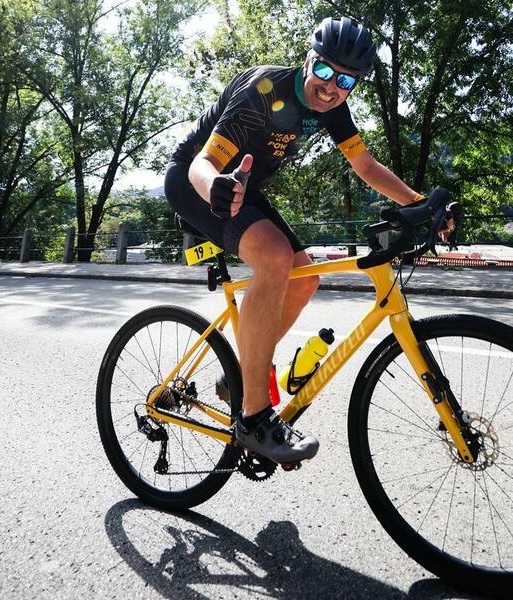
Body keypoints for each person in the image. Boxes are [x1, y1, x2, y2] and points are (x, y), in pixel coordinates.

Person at [164, 16, 425, 465]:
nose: (331, 87)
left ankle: (240, 376)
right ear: (308, 60)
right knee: (274, 257)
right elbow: (201, 163)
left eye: (346, 80)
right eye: (324, 70)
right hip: (197, 183)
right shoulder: (264, 90)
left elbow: (365, 165)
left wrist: (420, 203)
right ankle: (253, 419)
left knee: (304, 279)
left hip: (244, 188)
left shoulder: (334, 108)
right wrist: (216, 187)